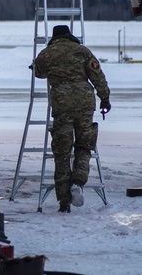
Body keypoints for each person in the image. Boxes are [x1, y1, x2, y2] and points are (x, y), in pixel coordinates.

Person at [33, 24, 111, 213]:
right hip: (85, 103)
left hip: (62, 105)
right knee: (84, 146)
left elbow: (38, 73)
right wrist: (105, 98)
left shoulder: (46, 54)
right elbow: (97, 76)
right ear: (70, 35)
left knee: (62, 153)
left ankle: (64, 202)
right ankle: (78, 182)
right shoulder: (82, 51)